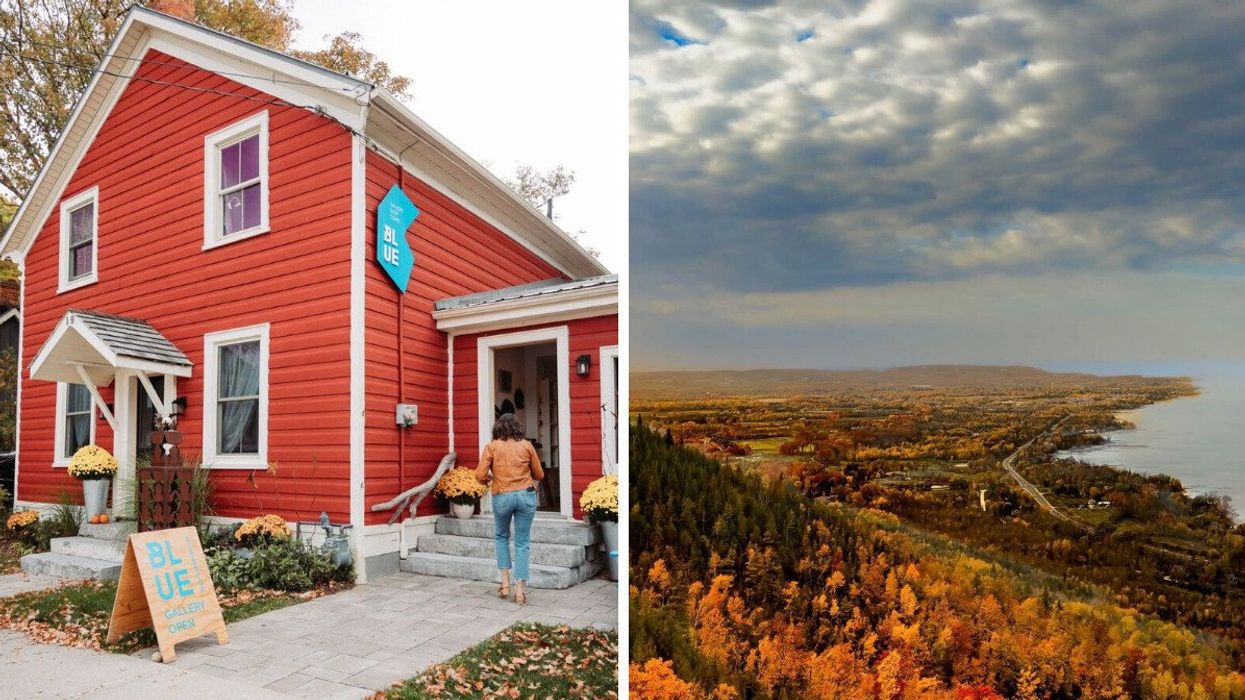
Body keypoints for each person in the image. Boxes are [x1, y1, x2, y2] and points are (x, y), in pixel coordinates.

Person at [475, 413, 544, 605]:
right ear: (518, 428)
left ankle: (505, 584)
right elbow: (539, 474)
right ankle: (520, 591)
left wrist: (492, 478)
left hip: (502, 496)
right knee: (522, 542)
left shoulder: (492, 446)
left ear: (497, 428)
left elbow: (479, 475)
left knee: (501, 536)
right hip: (526, 495)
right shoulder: (527, 445)